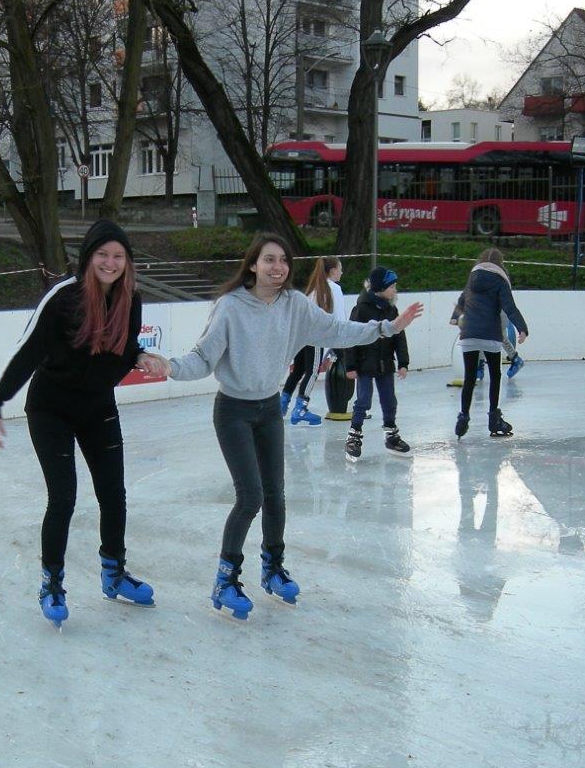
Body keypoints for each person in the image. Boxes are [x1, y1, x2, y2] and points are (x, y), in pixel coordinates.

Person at [153, 233, 423, 621]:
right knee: (250, 497)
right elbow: (203, 357)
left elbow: (338, 330)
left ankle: (273, 569)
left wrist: (387, 328)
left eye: (283, 260)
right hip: (233, 410)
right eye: (269, 259)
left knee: (276, 495)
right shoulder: (231, 306)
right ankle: (225, 579)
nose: (277, 267)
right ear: (252, 264)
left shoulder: (294, 305)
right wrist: (171, 367)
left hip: (268, 410)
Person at [0, 220, 163, 630]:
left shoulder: (131, 299)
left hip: (97, 406)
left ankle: (114, 572)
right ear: (88, 257)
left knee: (113, 493)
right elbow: (29, 351)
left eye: (118, 256)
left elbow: (124, 349)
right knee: (63, 496)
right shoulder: (65, 297)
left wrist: (140, 357)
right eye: (102, 254)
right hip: (51, 408)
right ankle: (52, 584)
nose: (110, 263)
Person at [450, 248, 528, 440]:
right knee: (495, 375)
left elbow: (462, 299)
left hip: (469, 332)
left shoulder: (473, 277)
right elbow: (509, 307)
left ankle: (463, 418)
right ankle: (494, 418)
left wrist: (455, 317)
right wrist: (522, 328)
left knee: (469, 377)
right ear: (501, 263)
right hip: (490, 334)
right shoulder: (500, 280)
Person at [342, 266, 410, 462]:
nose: (395, 290)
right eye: (392, 287)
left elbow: (399, 336)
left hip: (385, 364)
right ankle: (354, 436)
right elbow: (351, 337)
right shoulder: (361, 309)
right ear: (381, 287)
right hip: (364, 364)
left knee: (389, 400)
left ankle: (391, 435)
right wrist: (350, 365)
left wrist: (403, 362)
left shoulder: (391, 309)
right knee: (363, 400)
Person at [280, 256, 346, 426]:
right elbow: (339, 319)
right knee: (313, 371)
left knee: (298, 369)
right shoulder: (334, 289)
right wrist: (341, 345)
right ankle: (301, 408)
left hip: (301, 334)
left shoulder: (314, 288)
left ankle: (282, 404)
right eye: (340, 268)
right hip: (314, 336)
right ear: (333, 270)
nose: (342, 272)